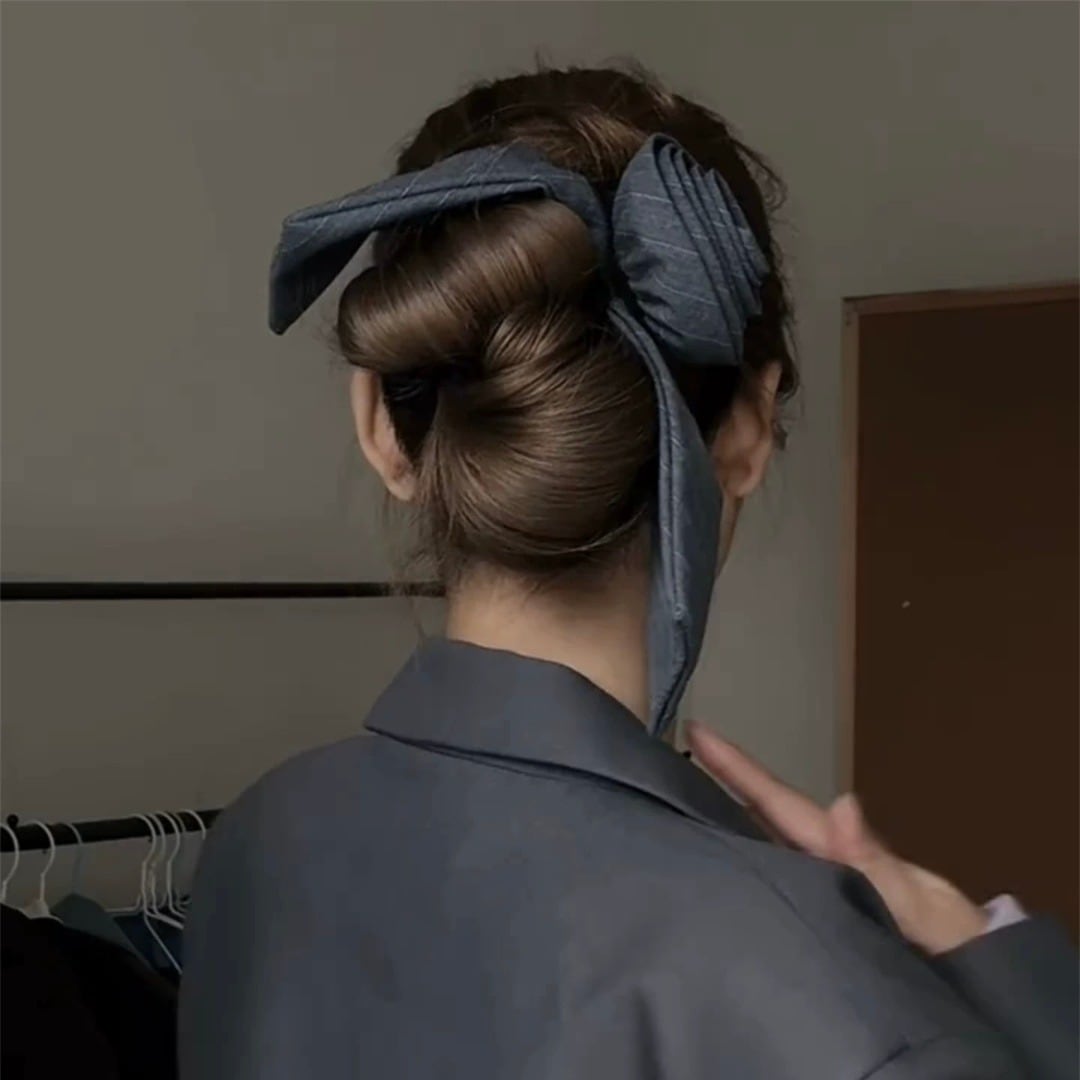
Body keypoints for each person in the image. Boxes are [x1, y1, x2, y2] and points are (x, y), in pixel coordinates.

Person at [179, 66, 1077, 1079]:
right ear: (748, 430)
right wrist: (993, 966)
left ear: (381, 426)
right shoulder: (852, 1010)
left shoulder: (256, 849)